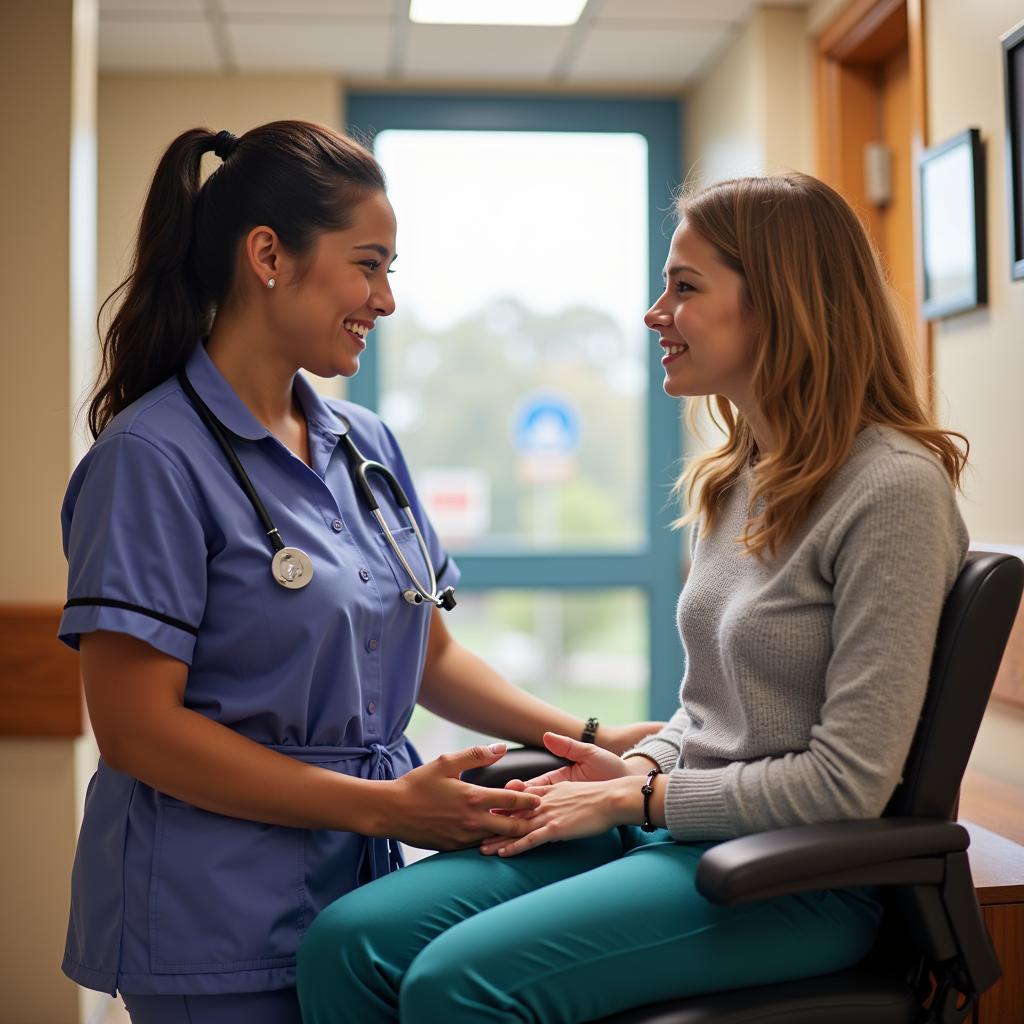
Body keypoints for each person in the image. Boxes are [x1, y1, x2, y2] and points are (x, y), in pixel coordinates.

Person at [295, 171, 971, 1024]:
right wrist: (638, 767)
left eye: (684, 288)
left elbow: (847, 783)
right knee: (346, 944)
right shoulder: (737, 481)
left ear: (783, 305)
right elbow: (708, 712)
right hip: (678, 830)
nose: (656, 313)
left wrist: (640, 798)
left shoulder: (893, 492)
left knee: (457, 987)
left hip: (796, 876)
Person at [58, 120, 660, 1024]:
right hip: (211, 909)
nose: (384, 300)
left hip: (358, 890)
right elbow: (138, 730)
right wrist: (385, 807)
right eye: (367, 264)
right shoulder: (151, 458)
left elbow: (426, 655)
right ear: (269, 255)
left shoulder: (364, 446)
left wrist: (591, 737)